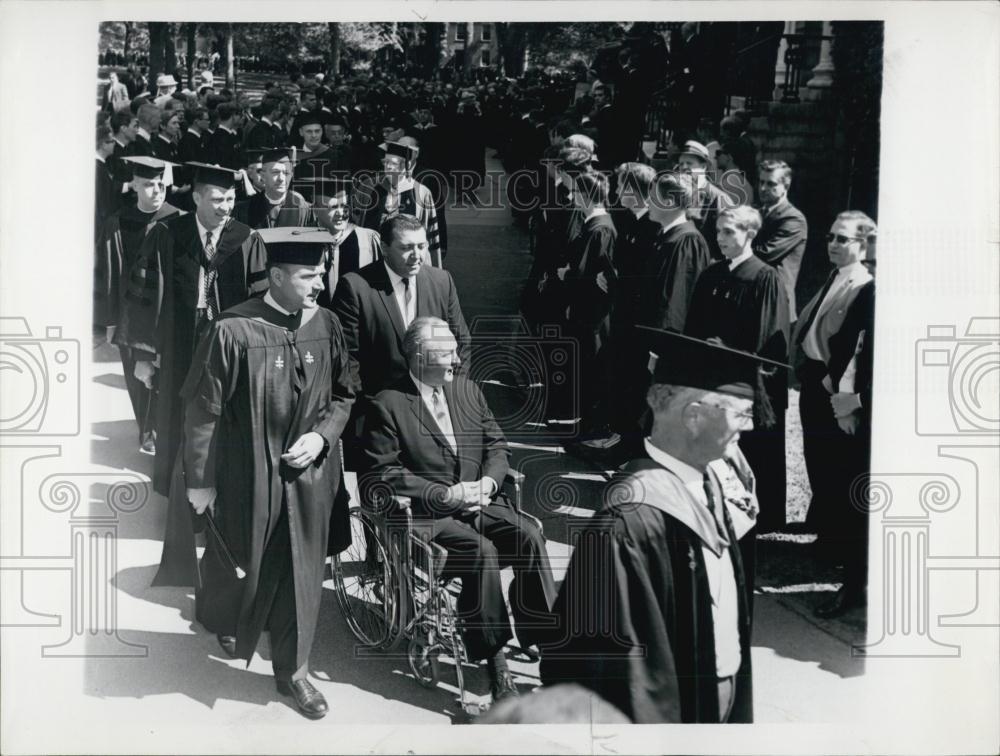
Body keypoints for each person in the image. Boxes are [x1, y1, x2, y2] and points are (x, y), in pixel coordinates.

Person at [541, 328, 776, 724]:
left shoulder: (710, 487)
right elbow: (608, 671)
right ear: (694, 416)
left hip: (719, 696)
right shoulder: (630, 521)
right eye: (740, 413)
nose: (749, 427)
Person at [181, 228, 355, 719]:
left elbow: (345, 393)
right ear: (276, 277)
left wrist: (323, 435)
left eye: (320, 272)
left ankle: (293, 675)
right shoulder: (232, 330)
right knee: (244, 562)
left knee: (302, 574)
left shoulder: (327, 324)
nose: (318, 283)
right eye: (307, 275)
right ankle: (229, 615)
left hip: (309, 475)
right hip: (247, 474)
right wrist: (200, 480)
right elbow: (202, 412)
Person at [362, 317, 556, 704]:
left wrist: (489, 482)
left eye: (455, 349)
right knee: (480, 553)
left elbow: (497, 444)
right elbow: (382, 473)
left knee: (529, 537)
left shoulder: (467, 391)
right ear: (418, 358)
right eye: (447, 352)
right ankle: (495, 660)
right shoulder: (388, 404)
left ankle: (547, 641)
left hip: (479, 500)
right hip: (428, 515)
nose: (457, 358)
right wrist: (444, 494)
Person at [118, 162, 268, 505]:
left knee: (224, 411)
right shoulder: (168, 234)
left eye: (230, 199)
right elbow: (143, 297)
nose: (225, 207)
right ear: (197, 197)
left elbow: (260, 300)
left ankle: (224, 490)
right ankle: (177, 494)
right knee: (176, 411)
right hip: (178, 341)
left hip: (230, 345)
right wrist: (143, 354)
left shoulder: (246, 239)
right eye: (217, 199)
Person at [331, 214, 470, 470]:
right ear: (384, 249)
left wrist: (449, 397)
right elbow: (348, 359)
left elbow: (460, 343)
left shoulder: (441, 282)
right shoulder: (356, 287)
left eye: (421, 246)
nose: (417, 255)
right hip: (379, 417)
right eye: (406, 248)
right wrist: (375, 410)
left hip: (434, 410)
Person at [685, 205, 791, 536]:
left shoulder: (764, 277)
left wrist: (729, 351)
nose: (721, 238)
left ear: (750, 234)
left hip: (746, 383)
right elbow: (694, 328)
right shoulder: (712, 274)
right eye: (719, 231)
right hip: (711, 379)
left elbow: (767, 339)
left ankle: (760, 517)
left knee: (754, 453)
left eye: (730, 231)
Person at [792, 211, 876, 617]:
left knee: (837, 468)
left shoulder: (862, 284)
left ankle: (842, 551)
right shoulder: (835, 276)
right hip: (814, 379)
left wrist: (835, 387)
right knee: (817, 460)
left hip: (832, 386)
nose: (834, 244)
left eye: (843, 239)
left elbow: (850, 344)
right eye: (831, 237)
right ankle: (827, 538)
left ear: (862, 244)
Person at [95, 156, 183, 453]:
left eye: (161, 184)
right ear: (134, 185)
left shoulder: (179, 219)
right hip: (130, 316)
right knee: (136, 377)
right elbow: (107, 274)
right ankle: (147, 431)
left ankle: (161, 429)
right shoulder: (118, 222)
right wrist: (109, 321)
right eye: (148, 184)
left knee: (165, 373)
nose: (157, 190)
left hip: (167, 313)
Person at [358, 141, 444, 267]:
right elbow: (355, 224)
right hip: (370, 257)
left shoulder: (422, 192)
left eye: (393, 163)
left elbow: (431, 235)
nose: (388, 167)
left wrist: (434, 271)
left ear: (407, 165)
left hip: (407, 259)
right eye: (386, 162)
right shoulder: (368, 187)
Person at [303, 177, 381, 306]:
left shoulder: (368, 239)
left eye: (344, 206)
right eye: (333, 207)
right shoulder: (304, 240)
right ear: (315, 209)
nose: (341, 213)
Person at [753, 159, 808, 320]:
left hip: (775, 302)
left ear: (786, 186)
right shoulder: (758, 211)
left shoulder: (793, 219)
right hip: (755, 295)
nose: (763, 188)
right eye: (761, 182)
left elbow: (765, 254)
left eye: (771, 184)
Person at [676, 140, 735, 260]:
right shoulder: (678, 194)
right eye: (681, 164)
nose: (684, 168)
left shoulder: (718, 198)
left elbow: (730, 239)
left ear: (703, 166)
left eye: (689, 163)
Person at [233, 148, 312, 229]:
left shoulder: (304, 209)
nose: (281, 178)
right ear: (263, 176)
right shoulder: (244, 209)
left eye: (286, 173)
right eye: (275, 172)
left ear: (291, 175)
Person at [206, 101, 242, 170]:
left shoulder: (222, 135)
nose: (240, 117)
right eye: (239, 115)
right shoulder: (221, 137)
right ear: (233, 115)